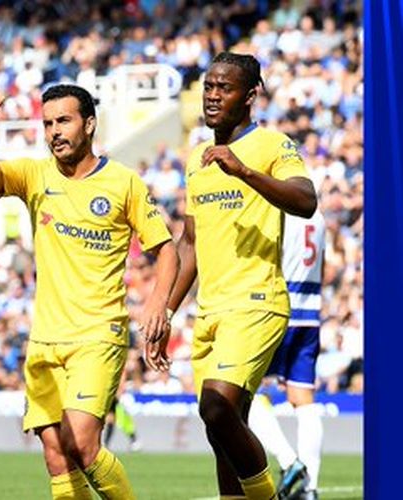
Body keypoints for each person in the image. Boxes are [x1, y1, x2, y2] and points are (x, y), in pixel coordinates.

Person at [0, 80, 180, 499]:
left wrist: (158, 305)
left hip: (98, 333)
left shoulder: (123, 183)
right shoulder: (34, 175)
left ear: (90, 124)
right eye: (47, 124)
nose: (54, 132)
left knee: (81, 443)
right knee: (57, 457)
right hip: (45, 337)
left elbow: (166, 250)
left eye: (63, 121)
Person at [165, 52, 318, 500]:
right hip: (210, 311)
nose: (212, 96)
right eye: (209, 86)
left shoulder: (272, 145)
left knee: (216, 407)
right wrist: (167, 311)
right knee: (224, 432)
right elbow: (190, 241)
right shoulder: (196, 158)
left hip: (256, 302)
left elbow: (306, 200)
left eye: (224, 88)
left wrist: (245, 172)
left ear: (250, 96)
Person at [248, 209, 327, 500]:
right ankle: (310, 488)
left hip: (280, 310)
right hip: (311, 315)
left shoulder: (280, 209)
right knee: (304, 401)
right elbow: (324, 265)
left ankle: (288, 461)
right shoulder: (317, 217)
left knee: (246, 394)